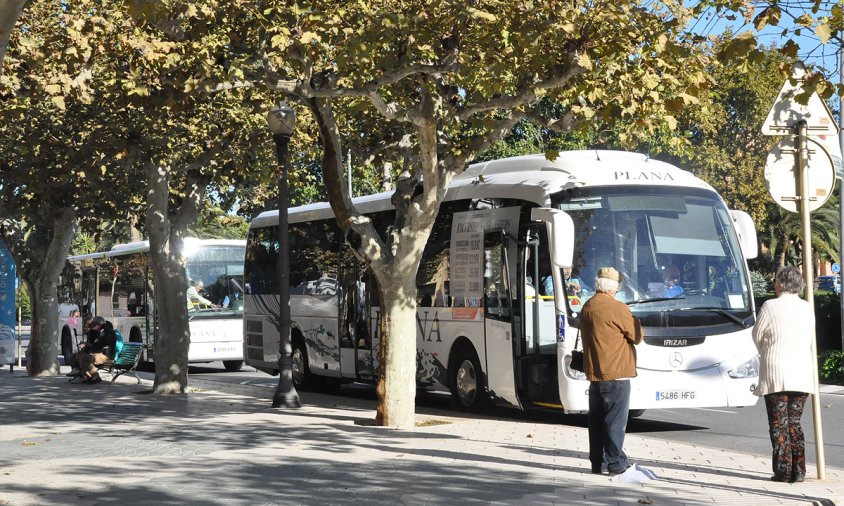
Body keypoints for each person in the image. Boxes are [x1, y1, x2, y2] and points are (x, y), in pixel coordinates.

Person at [752, 265, 815, 483]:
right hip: (801, 371)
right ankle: (799, 470)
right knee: (795, 422)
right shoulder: (807, 307)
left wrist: (766, 350)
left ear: (781, 283)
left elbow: (757, 335)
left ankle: (783, 471)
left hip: (776, 371)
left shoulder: (770, 306)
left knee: (778, 423)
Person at [579, 266, 643, 476]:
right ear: (614, 288)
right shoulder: (616, 308)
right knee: (615, 421)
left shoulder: (588, 306)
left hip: (595, 372)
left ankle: (597, 462)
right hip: (616, 373)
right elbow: (636, 336)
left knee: (596, 421)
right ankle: (616, 462)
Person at [73, 316, 120, 384]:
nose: (92, 326)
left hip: (106, 356)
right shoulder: (102, 330)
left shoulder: (106, 331)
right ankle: (89, 377)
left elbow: (99, 345)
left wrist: (87, 345)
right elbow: (97, 344)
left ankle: (95, 377)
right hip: (101, 353)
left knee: (86, 358)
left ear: (98, 324)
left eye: (93, 324)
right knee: (79, 356)